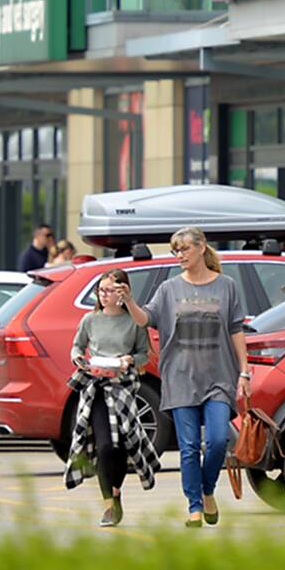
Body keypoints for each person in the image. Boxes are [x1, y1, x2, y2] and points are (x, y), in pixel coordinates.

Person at [118, 225, 248, 527]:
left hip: (219, 377)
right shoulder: (169, 289)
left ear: (201, 248)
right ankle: (194, 506)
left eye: (184, 249)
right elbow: (145, 319)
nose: (179, 255)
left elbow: (236, 329)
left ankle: (207, 491)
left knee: (217, 441)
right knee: (189, 447)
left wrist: (244, 372)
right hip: (179, 377)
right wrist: (128, 301)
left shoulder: (226, 286)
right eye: (175, 250)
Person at [64, 268, 157, 526]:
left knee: (123, 444)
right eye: (101, 290)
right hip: (96, 388)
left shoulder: (134, 322)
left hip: (124, 388)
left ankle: (115, 491)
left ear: (123, 291)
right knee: (105, 445)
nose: (105, 295)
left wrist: (129, 360)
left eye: (111, 290)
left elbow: (143, 355)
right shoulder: (90, 320)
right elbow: (76, 346)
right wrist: (78, 359)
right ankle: (109, 505)